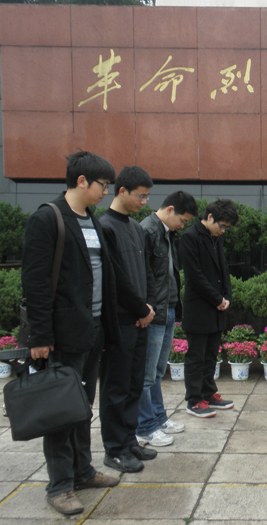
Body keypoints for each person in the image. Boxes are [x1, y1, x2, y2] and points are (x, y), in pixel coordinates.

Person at [21, 151, 121, 515]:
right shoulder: (48, 218)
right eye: (103, 185)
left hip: (92, 331)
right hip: (62, 334)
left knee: (82, 408)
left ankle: (83, 471)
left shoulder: (91, 220)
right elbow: (34, 281)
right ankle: (60, 486)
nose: (106, 192)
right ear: (81, 181)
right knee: (61, 412)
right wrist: (40, 337)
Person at [98, 166, 156, 473]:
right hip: (120, 321)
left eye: (147, 196)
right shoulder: (104, 226)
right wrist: (140, 309)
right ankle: (114, 449)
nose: (144, 202)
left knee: (134, 384)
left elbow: (146, 273)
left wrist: (148, 308)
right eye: (141, 196)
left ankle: (129, 439)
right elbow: (115, 278)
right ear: (122, 191)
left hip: (140, 318)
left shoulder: (135, 228)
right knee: (116, 387)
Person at [136, 191, 198, 446]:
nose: (182, 226)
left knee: (158, 371)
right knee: (146, 373)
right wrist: (146, 309)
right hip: (154, 311)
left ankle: (159, 417)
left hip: (169, 307)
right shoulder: (147, 231)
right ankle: (144, 426)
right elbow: (142, 276)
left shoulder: (168, 233)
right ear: (170, 209)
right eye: (182, 220)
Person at [180, 199, 238, 418]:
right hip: (199, 307)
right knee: (196, 356)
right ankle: (194, 400)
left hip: (217, 308)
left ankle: (208, 393)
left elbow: (224, 269)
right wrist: (216, 299)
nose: (222, 231)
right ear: (210, 217)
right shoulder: (190, 237)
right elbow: (194, 275)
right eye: (221, 226)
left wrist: (227, 297)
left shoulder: (216, 238)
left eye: (226, 228)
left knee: (211, 354)